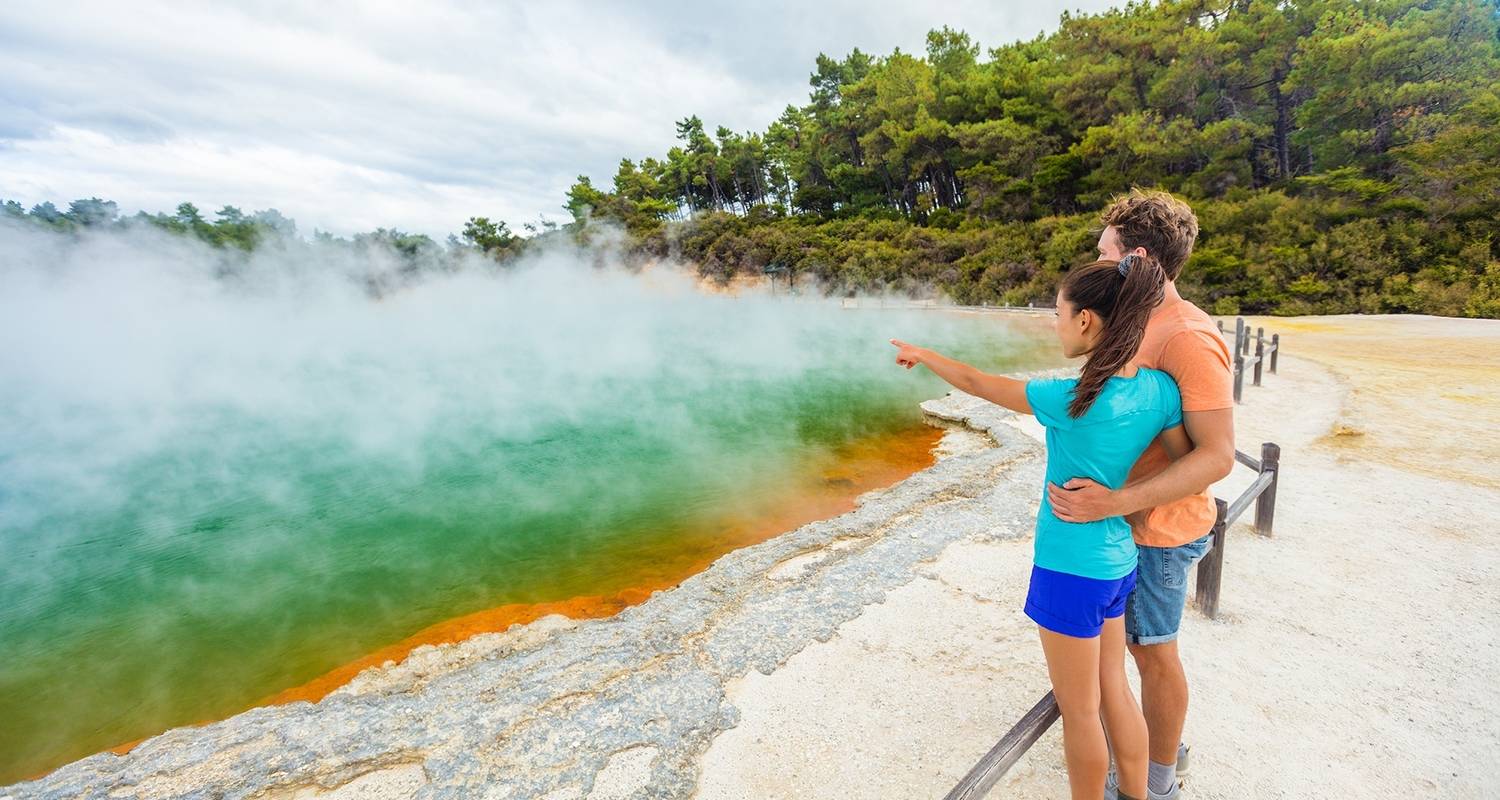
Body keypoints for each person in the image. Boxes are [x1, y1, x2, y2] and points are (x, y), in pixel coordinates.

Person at [891, 253, 1187, 800]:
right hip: (1118, 559)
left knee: (1080, 713)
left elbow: (978, 383)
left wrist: (924, 354)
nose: (1055, 325)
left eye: (1058, 313)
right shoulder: (1160, 390)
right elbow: (1182, 460)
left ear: (1086, 321)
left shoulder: (1072, 400)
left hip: (1069, 567)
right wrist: (1122, 498)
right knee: (1116, 690)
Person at [1046, 190, 1236, 800]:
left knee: (1152, 651)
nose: (1098, 261)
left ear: (1138, 257)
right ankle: (1147, 754)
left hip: (1161, 529)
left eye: (1105, 253)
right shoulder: (1134, 321)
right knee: (1123, 652)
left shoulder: (1185, 336)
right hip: (1123, 527)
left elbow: (1217, 455)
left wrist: (1115, 502)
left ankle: (1158, 782)